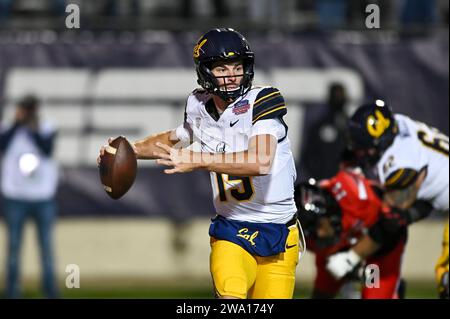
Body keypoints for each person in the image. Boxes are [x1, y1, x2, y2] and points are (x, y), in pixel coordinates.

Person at [98, 28, 304, 299]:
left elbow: (260, 162)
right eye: (221, 68)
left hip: (279, 232)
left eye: (237, 66)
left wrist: (198, 160)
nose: (231, 75)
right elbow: (174, 138)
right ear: (205, 72)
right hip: (232, 229)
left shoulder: (262, 101)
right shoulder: (198, 105)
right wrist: (129, 151)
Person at [325, 100, 449, 298]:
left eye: (363, 148)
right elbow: (421, 205)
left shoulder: (401, 163)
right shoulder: (397, 126)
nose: (359, 152)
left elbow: (391, 223)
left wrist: (352, 257)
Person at [295, 168, 432, 299]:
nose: (319, 233)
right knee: (322, 292)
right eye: (310, 231)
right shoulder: (313, 238)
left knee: (374, 292)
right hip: (340, 246)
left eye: (318, 225)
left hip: (378, 249)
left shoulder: (358, 198)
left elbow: (391, 225)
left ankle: (393, 292)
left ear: (327, 209)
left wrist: (352, 257)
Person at [0, 94, 59, 298]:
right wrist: (17, 124)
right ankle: (12, 291)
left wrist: (32, 128)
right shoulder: (8, 129)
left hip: (42, 198)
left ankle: (50, 291)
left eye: (30, 109)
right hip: (16, 197)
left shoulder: (46, 127)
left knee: (46, 248)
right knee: (14, 247)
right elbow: (2, 145)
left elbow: (47, 149)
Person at [300, 82, 349, 180]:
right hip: (325, 182)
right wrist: (319, 175)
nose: (338, 99)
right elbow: (307, 155)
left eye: (341, 96)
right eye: (336, 95)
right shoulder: (319, 127)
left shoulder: (351, 126)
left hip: (347, 182)